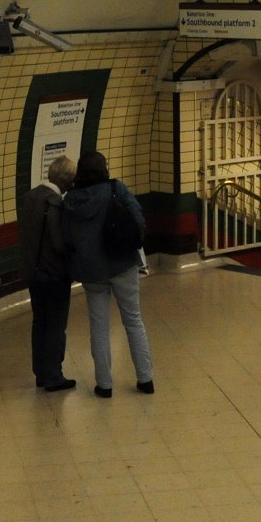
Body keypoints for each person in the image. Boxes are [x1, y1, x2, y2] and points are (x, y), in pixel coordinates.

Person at [62, 150, 154, 398]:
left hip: (91, 270)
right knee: (133, 319)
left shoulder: (70, 200)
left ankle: (104, 385)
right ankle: (145, 379)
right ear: (104, 169)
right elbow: (138, 218)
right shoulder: (115, 189)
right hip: (122, 262)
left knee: (99, 326)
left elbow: (67, 237)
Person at [20, 154, 77, 392]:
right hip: (53, 275)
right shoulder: (55, 203)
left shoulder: (30, 197)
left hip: (33, 272)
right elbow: (58, 243)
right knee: (55, 324)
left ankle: (40, 372)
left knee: (39, 321)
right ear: (66, 182)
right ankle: (54, 375)